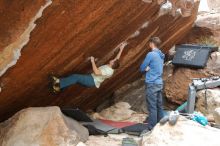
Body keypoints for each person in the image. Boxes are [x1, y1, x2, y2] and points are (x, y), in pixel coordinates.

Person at [52, 44, 125, 92]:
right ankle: (61, 86)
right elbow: (117, 58)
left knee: (75, 77)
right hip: (91, 78)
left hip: (91, 81)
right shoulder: (112, 67)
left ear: (112, 64)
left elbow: (96, 72)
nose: (113, 59)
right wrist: (122, 48)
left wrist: (93, 61)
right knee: (74, 79)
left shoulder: (108, 71)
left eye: (113, 61)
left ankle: (57, 85)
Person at [140, 37, 165, 131]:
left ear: (151, 43)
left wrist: (146, 68)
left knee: (152, 106)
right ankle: (161, 125)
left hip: (151, 83)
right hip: (159, 82)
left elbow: (142, 68)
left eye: (149, 43)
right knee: (159, 105)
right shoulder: (161, 55)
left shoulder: (151, 54)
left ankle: (151, 128)